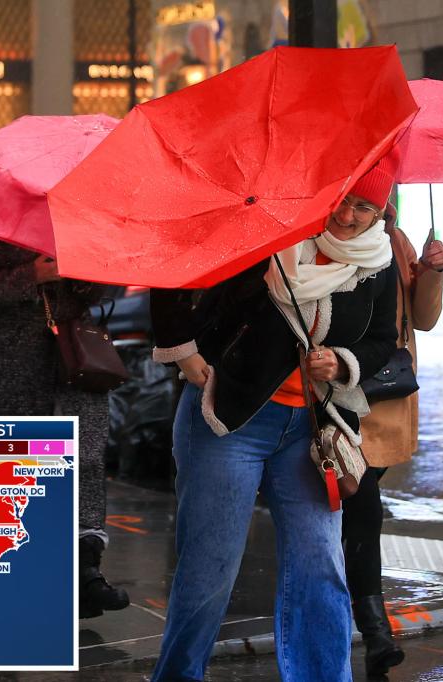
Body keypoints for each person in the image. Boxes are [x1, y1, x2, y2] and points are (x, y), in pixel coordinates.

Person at [149, 156, 402, 682]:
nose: (351, 217)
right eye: (346, 200)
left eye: (367, 207)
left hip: (311, 432)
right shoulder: (268, 228)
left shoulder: (376, 259)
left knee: (320, 570)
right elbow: (174, 262)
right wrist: (182, 348)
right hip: (231, 419)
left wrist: (342, 363)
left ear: (381, 211)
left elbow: (382, 338)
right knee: (208, 571)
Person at [0, 231, 130, 619]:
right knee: (10, 467)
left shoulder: (80, 213)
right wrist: (31, 273)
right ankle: (4, 573)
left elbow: (115, 280)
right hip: (13, 365)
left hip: (78, 360)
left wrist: (79, 272)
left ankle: (86, 573)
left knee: (84, 462)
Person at [342, 204, 443, 679]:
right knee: (362, 507)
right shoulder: (322, 238)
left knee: (354, 509)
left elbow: (422, 319)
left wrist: (431, 273)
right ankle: (374, 630)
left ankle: (353, 612)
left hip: (383, 395)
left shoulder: (396, 240)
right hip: (333, 394)